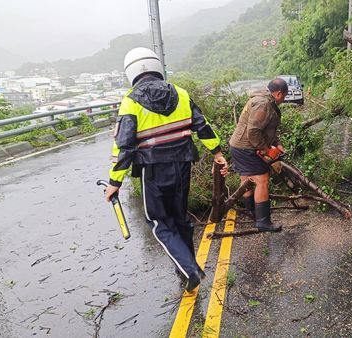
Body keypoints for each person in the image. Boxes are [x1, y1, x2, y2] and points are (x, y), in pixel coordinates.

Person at [104, 47, 228, 292]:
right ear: (156, 66)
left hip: (153, 171)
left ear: (131, 72)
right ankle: (186, 270)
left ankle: (190, 270)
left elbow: (125, 146)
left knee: (159, 223)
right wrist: (218, 153)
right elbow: (203, 126)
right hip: (182, 166)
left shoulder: (130, 102)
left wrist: (114, 182)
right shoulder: (180, 93)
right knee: (180, 219)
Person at [229, 78, 288, 232]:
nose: (284, 100)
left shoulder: (264, 100)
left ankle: (254, 214)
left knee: (247, 180)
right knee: (262, 180)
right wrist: (267, 150)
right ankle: (263, 222)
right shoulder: (263, 104)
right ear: (278, 93)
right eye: (284, 96)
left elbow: (267, 129)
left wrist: (277, 143)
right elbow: (254, 131)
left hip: (239, 146)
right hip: (247, 148)